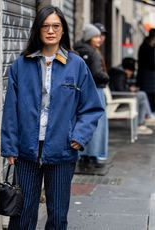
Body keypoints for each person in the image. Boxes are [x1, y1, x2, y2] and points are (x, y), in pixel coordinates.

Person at [1, 6, 104, 230]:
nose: (50, 31)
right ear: (37, 30)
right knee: (23, 213)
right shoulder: (21, 65)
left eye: (55, 26)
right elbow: (11, 109)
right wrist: (9, 146)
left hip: (62, 149)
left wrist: (79, 135)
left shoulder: (77, 66)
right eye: (45, 26)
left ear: (63, 30)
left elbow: (91, 107)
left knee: (58, 215)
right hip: (26, 150)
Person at [74, 24, 109, 169]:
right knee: (97, 124)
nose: (99, 39)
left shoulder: (76, 50)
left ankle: (83, 155)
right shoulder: (93, 53)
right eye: (95, 36)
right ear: (89, 37)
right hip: (96, 91)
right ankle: (93, 155)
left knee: (83, 121)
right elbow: (97, 73)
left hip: (80, 92)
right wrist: (106, 77)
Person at [108, 57, 155, 135]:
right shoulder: (120, 74)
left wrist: (129, 89)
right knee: (142, 95)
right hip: (118, 100)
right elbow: (120, 90)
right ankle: (146, 119)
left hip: (116, 98)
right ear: (129, 70)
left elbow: (118, 87)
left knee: (142, 98)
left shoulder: (115, 71)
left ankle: (143, 120)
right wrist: (130, 91)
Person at [137, 28, 155, 111]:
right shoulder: (147, 48)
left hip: (145, 79)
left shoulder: (143, 46)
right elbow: (151, 63)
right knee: (148, 99)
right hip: (147, 78)